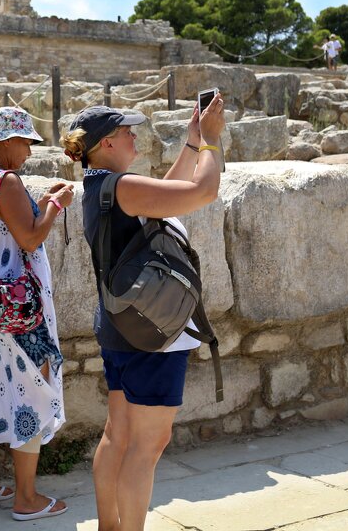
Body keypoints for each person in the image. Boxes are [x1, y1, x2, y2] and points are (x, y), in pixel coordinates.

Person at [63, 98, 225, 531]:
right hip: (152, 332)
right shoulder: (123, 186)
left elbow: (162, 204)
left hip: (119, 326)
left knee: (117, 435)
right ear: (107, 143)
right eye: (127, 131)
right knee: (147, 445)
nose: (135, 136)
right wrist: (211, 143)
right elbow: (202, 193)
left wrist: (190, 146)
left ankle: (109, 527)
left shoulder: (102, 186)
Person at [0, 106, 73, 521]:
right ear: (7, 141)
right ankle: (26, 499)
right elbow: (29, 237)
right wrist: (57, 205)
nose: (29, 150)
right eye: (26, 142)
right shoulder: (6, 180)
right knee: (33, 389)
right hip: (18, 309)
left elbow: (9, 227)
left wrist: (40, 203)